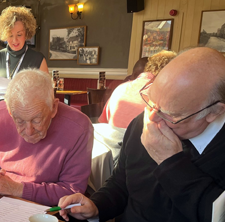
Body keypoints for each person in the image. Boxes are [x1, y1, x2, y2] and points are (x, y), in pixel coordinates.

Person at [58, 47, 225, 222]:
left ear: (214, 112)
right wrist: (96, 206)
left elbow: (215, 214)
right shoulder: (141, 122)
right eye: (151, 101)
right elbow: (122, 183)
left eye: (171, 114)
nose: (152, 117)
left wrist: (170, 163)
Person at [0, 69, 93, 206]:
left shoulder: (79, 127)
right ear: (9, 110)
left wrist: (16, 189)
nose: (29, 131)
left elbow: (72, 192)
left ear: (54, 108)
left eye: (37, 120)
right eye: (19, 121)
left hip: (46, 210)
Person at [99, 51, 177, 129]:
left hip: (113, 139)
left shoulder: (120, 88)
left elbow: (103, 122)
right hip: (141, 139)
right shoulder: (164, 93)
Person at [0, 6, 49, 100]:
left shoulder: (38, 59)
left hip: (26, 112)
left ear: (27, 33)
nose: (15, 40)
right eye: (10, 35)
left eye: (19, 34)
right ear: (4, 35)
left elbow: (47, 92)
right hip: (1, 110)